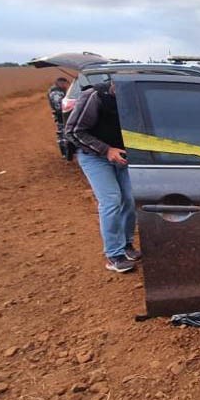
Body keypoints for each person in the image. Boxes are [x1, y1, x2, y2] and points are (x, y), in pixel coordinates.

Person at [65, 80, 141, 273]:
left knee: (129, 200)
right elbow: (73, 132)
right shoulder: (94, 97)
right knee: (111, 200)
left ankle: (126, 245)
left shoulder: (136, 99)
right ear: (115, 83)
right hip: (95, 157)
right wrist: (106, 150)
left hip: (122, 156)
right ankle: (114, 255)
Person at [47, 77, 70, 158]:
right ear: (60, 83)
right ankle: (65, 153)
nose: (66, 86)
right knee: (63, 134)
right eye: (65, 84)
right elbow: (58, 107)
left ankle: (66, 153)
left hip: (61, 115)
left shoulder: (58, 91)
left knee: (63, 133)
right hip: (61, 116)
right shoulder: (56, 92)